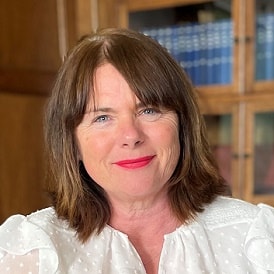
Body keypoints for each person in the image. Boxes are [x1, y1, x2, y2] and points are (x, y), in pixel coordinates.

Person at [0, 28, 274, 274]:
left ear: (183, 125)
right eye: (102, 118)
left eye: (149, 110)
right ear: (72, 143)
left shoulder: (257, 237)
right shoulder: (32, 251)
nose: (131, 136)